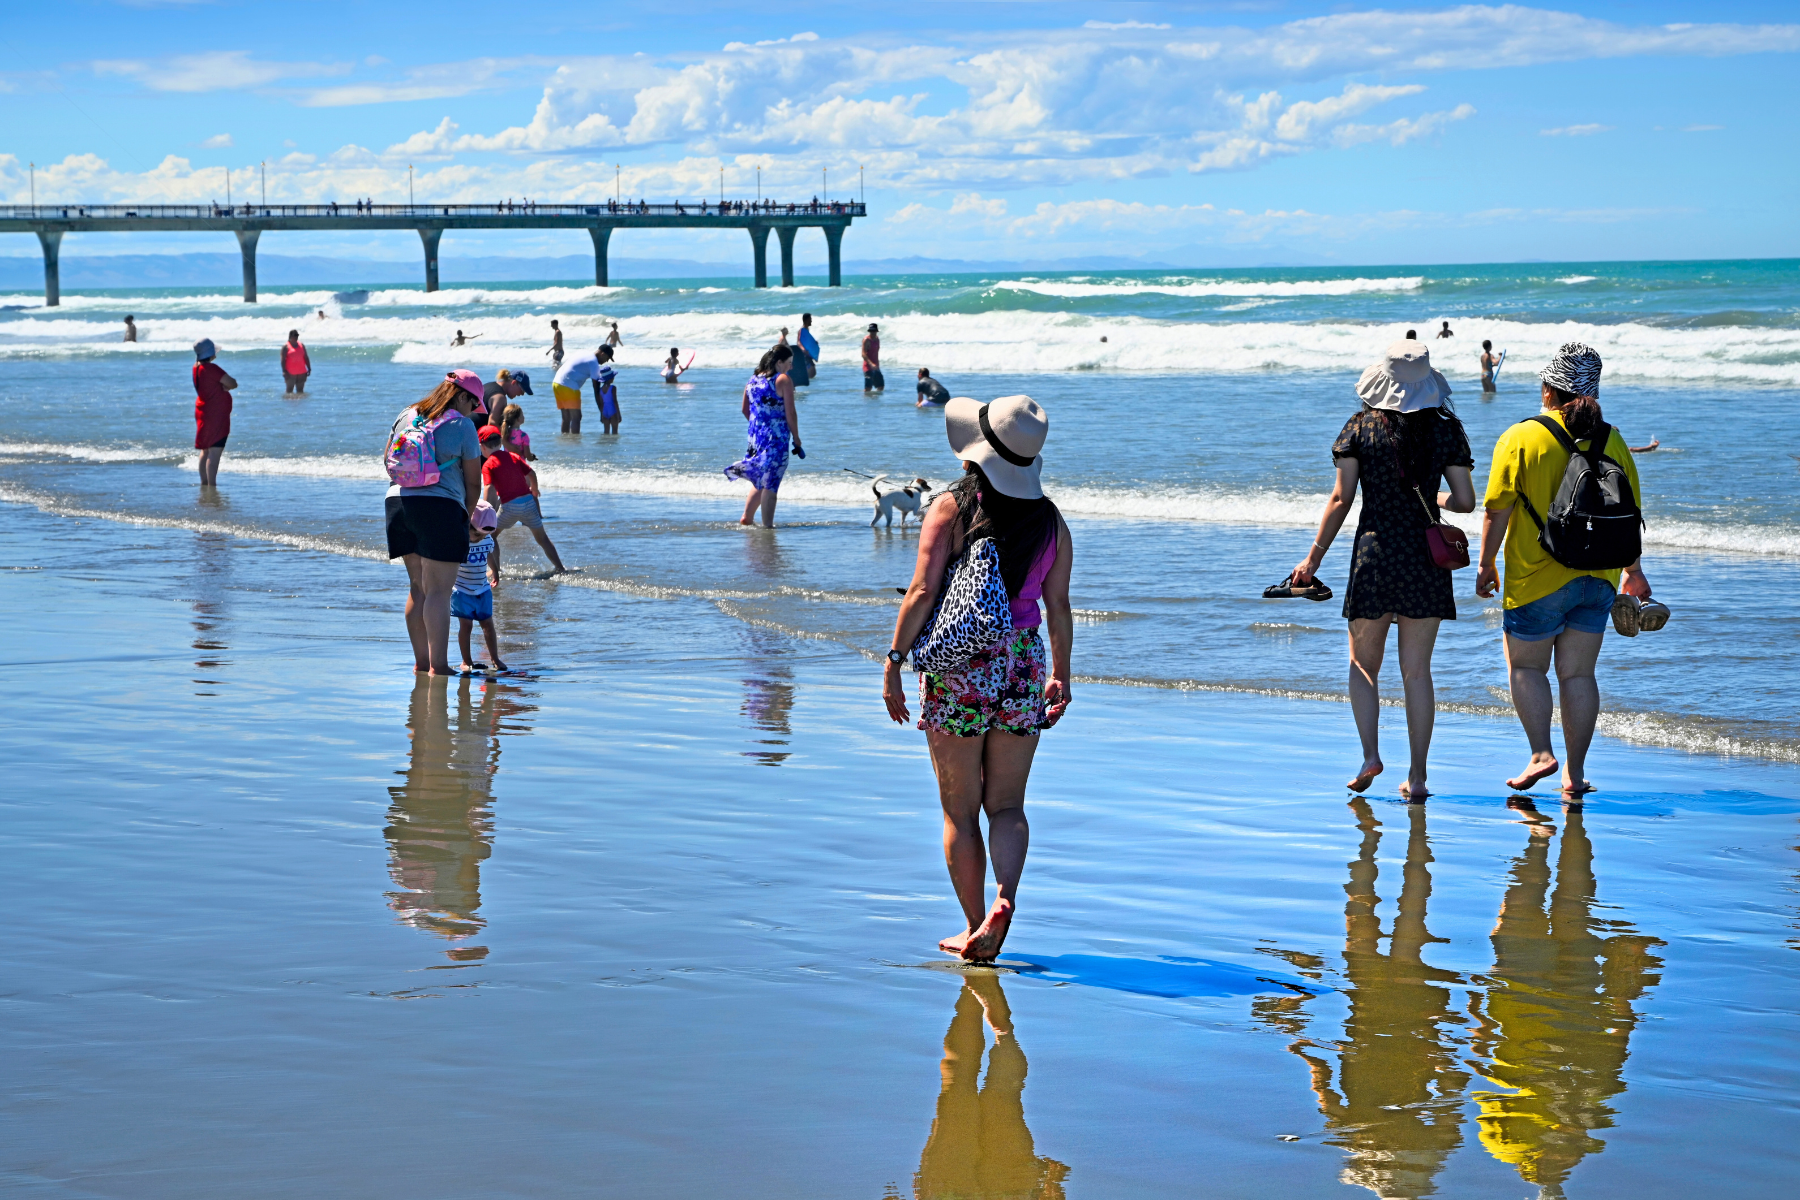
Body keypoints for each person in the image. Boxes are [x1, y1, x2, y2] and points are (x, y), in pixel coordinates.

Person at [881, 394, 1072, 963]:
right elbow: (1058, 607)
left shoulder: (950, 508)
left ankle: (971, 925)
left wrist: (893, 662)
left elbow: (920, 592)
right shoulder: (1052, 521)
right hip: (1022, 661)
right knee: (1007, 806)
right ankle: (1004, 899)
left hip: (960, 667)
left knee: (960, 810)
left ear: (974, 454)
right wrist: (1060, 673)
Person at [1292, 340, 1476, 798]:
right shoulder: (1446, 430)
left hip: (1374, 555)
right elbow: (1467, 502)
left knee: (1362, 664)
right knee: (1417, 672)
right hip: (1425, 558)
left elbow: (1341, 499)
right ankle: (1417, 778)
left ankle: (1370, 755)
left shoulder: (1360, 427)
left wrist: (1313, 558)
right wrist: (1434, 498)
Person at [1477, 343, 1651, 796]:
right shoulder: (1612, 439)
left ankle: (1541, 754)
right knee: (1579, 675)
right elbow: (1627, 512)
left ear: (1548, 390)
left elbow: (1497, 509)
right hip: (1598, 579)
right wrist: (1633, 570)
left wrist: (1486, 564)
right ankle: (1574, 774)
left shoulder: (1521, 437)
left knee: (1527, 669)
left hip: (1537, 578)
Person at [386, 369, 486, 676]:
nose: (474, 412)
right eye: (474, 404)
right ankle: (439, 667)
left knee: (418, 587)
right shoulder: (462, 425)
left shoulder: (407, 414)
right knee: (440, 591)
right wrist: (466, 517)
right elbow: (473, 483)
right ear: (463, 396)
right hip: (440, 507)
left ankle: (422, 662)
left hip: (397, 502)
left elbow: (388, 460)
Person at [724, 345, 803, 527]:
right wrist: (797, 439)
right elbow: (791, 413)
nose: (790, 367)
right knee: (771, 482)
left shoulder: (752, 380)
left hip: (756, 438)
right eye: (789, 363)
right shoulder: (783, 380)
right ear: (779, 362)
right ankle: (768, 527)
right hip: (777, 438)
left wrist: (760, 427)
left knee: (761, 478)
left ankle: (747, 517)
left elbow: (745, 409)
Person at [480, 425, 566, 573]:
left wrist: (487, 511)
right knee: (543, 539)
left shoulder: (488, 465)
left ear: (482, 447)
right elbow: (531, 473)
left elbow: (489, 488)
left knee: (490, 536)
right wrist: (534, 488)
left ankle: (496, 570)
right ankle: (560, 568)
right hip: (529, 503)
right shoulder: (514, 456)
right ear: (500, 443)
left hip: (509, 507)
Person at [453, 502, 506, 675]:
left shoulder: (487, 538)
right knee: (466, 627)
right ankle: (466, 661)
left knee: (488, 625)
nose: (479, 538)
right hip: (461, 591)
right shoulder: (459, 540)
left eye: (483, 535)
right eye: (475, 533)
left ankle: (495, 658)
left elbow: (489, 554)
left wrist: (495, 570)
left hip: (483, 589)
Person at [191, 338, 238, 487]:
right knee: (215, 452)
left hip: (204, 411)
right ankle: (212, 486)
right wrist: (226, 387)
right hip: (216, 414)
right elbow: (232, 383)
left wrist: (222, 386)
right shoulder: (212, 369)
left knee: (205, 451)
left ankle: (204, 483)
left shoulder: (196, 368)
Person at [552, 345, 611, 434]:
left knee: (566, 417)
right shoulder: (594, 363)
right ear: (602, 354)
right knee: (576, 417)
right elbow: (596, 390)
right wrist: (602, 412)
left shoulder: (583, 352)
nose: (605, 362)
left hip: (556, 383)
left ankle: (564, 444)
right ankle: (575, 445)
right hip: (569, 386)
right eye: (607, 358)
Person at [593, 347, 622, 435]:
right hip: (613, 411)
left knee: (606, 432)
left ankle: (605, 445)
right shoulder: (613, 388)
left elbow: (601, 403)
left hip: (605, 412)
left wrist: (602, 414)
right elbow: (615, 401)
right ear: (610, 379)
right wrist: (619, 414)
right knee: (615, 433)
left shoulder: (601, 390)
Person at [281, 329, 312, 395]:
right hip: (290, 373)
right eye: (294, 336)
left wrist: (309, 368)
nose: (296, 337)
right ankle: (288, 405)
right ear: (290, 337)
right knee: (289, 392)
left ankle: (300, 404)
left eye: (297, 336)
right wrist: (284, 371)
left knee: (300, 392)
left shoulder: (301, 345)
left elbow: (306, 357)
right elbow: (283, 360)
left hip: (302, 372)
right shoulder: (286, 347)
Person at [797, 312, 820, 380]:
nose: (811, 321)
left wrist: (813, 343)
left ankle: (805, 380)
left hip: (807, 354)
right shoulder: (802, 330)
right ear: (806, 320)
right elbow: (799, 342)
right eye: (810, 319)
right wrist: (803, 349)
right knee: (811, 371)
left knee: (812, 371)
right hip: (804, 353)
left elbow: (806, 341)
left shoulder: (806, 330)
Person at [862, 323, 884, 392]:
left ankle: (875, 401)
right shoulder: (866, 340)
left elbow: (876, 353)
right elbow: (863, 354)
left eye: (874, 331)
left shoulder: (877, 339)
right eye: (871, 331)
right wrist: (871, 364)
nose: (872, 332)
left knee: (881, 386)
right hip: (868, 367)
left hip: (876, 366)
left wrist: (877, 365)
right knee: (868, 388)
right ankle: (863, 401)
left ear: (876, 331)